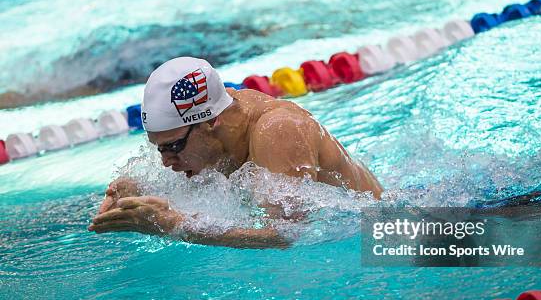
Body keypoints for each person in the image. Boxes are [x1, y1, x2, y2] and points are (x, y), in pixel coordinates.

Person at [89, 57, 383, 248]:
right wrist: (136, 189)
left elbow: (287, 236)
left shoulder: (277, 130)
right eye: (159, 149)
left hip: (384, 232)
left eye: (174, 147)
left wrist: (178, 227)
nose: (166, 163)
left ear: (210, 122)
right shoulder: (219, 134)